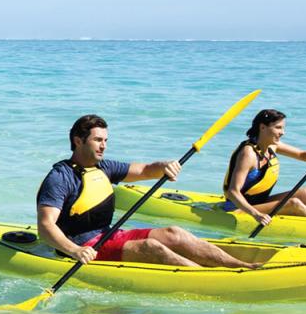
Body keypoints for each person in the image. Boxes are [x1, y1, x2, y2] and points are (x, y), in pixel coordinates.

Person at [36, 114, 259, 268]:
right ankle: (207, 278)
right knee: (150, 247)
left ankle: (240, 266)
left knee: (175, 233)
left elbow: (144, 169)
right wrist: (75, 251)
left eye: (105, 140)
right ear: (78, 141)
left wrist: (165, 166)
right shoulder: (60, 177)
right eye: (97, 140)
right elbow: (46, 226)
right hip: (84, 247)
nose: (103, 145)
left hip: (108, 235)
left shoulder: (104, 167)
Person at [220, 109, 306, 224]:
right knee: (294, 203)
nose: (283, 132)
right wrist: (256, 214)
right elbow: (233, 191)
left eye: (283, 128)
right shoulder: (248, 154)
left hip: (260, 201)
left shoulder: (271, 146)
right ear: (262, 127)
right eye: (278, 128)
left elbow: (301, 154)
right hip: (238, 208)